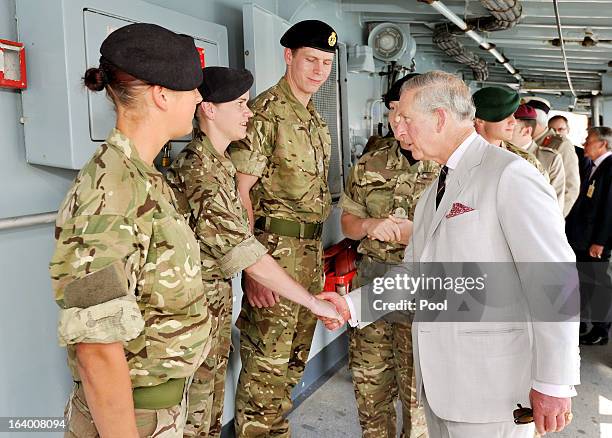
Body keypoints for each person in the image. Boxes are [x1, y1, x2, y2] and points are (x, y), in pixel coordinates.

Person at [320, 71, 580, 438]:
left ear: (439, 117)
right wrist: (353, 306)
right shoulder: (436, 191)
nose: (398, 131)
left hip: (492, 386)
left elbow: (553, 276)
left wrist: (554, 383)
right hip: (442, 385)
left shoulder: (508, 175)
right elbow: (417, 275)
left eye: (406, 120)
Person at [49, 23, 211, 437]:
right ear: (161, 95)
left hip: (160, 410)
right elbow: (96, 349)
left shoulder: (143, 176)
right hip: (131, 420)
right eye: (191, 88)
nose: (198, 97)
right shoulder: (109, 193)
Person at [166, 66, 342, 437]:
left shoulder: (220, 166)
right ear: (209, 110)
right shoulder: (200, 170)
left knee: (209, 412)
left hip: (211, 305)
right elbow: (244, 250)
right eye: (242, 104)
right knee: (196, 417)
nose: (250, 112)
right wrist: (314, 302)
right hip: (193, 310)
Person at [228, 19, 338, 437]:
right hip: (273, 252)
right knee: (265, 372)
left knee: (291, 365)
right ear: (288, 56)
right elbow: (241, 193)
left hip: (309, 256)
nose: (319, 71)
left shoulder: (315, 120)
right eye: (311, 60)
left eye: (326, 63)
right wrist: (252, 270)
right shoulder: (265, 114)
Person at [339, 73, 436, 438]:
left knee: (419, 401)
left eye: (406, 113)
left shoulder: (453, 168)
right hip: (375, 287)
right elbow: (348, 222)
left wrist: (420, 233)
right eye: (393, 112)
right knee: (370, 391)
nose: (398, 122)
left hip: (426, 292)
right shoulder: (370, 163)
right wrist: (369, 225)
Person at [566, 127, 612, 346]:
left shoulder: (610, 167)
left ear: (603, 144)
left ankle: (601, 329)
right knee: (586, 282)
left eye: (589, 141)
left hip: (595, 241)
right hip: (583, 237)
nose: (585, 144)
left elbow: (609, 209)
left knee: (598, 284)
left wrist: (600, 241)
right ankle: (585, 322)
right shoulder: (593, 166)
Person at [472, 87, 547, 178]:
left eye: (513, 115)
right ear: (480, 120)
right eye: (504, 115)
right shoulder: (456, 152)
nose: (513, 122)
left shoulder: (526, 161)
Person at [524, 96, 580, 216]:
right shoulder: (525, 142)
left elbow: (571, 188)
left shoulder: (561, 144)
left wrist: (556, 219)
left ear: (534, 122)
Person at [512, 104, 566, 212]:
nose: (506, 130)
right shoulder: (497, 153)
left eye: (512, 127)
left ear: (526, 131)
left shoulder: (550, 159)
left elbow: (556, 204)